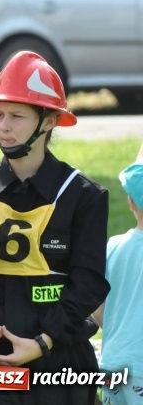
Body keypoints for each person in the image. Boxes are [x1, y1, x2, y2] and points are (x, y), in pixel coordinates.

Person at [0, 50, 110, 404]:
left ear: (49, 120)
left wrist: (43, 341)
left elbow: (89, 284)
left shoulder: (84, 196)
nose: (2, 126)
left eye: (16, 116)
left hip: (58, 359)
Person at [92, 160, 143, 405]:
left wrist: (115, 329)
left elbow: (94, 303)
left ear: (131, 203)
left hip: (114, 363)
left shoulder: (113, 246)